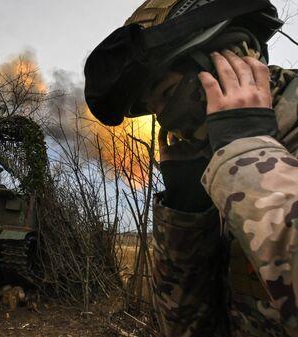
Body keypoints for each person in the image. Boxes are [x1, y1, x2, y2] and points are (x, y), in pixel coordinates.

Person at [84, 0, 298, 336]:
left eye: (169, 93)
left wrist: (249, 155)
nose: (167, 120)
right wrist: (186, 217)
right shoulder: (220, 170)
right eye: (155, 110)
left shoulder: (241, 162)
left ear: (234, 54)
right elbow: (185, 328)